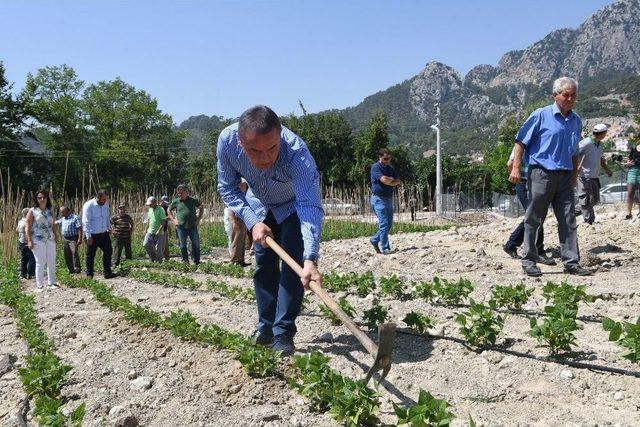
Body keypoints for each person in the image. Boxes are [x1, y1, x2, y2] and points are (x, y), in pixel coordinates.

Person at [217, 105, 323, 356]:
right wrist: (253, 222)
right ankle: (265, 327)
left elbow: (309, 204)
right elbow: (227, 188)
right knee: (263, 266)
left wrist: (311, 259)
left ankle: (283, 332)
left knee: (292, 268)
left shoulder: (297, 152)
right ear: (241, 143)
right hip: (259, 206)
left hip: (293, 207)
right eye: (255, 151)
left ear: (280, 136)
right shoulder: (227, 142)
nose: (265, 157)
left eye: (272, 148)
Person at [509, 77, 591, 277]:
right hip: (541, 173)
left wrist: (573, 175)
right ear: (555, 95)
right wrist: (516, 168)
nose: (570, 99)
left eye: (573, 95)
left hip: (564, 175)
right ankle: (528, 259)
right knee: (534, 217)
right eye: (565, 95)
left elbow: (574, 152)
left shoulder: (576, 121)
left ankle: (571, 261)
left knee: (568, 219)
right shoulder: (540, 115)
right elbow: (521, 142)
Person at [503, 145, 554, 265]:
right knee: (535, 215)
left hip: (535, 183)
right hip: (525, 183)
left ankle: (511, 245)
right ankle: (539, 252)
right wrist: (518, 180)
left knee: (532, 216)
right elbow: (510, 164)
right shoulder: (523, 145)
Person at [576, 123, 613, 224]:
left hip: (594, 176)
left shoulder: (600, 144)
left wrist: (607, 169)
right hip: (584, 176)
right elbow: (574, 154)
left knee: (595, 199)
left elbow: (600, 159)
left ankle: (572, 212)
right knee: (587, 199)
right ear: (602, 134)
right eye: (605, 134)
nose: (605, 136)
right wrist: (576, 168)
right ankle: (589, 221)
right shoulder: (585, 143)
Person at [25, 190, 59, 290]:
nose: (42, 199)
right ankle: (40, 285)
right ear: (36, 199)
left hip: (50, 239)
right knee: (40, 262)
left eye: (44, 197)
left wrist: (56, 235)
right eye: (39, 197)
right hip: (38, 239)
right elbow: (28, 226)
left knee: (51, 261)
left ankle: (51, 282)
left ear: (47, 198)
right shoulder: (32, 211)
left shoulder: (50, 210)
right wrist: (29, 240)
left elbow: (52, 225)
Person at [370, 148, 401, 254]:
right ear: (380, 157)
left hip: (389, 199)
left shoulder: (391, 168)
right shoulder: (375, 167)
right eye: (385, 159)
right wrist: (390, 180)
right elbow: (384, 180)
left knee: (389, 224)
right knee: (383, 224)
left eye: (389, 158)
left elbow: (397, 181)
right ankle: (385, 248)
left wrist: (390, 180)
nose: (387, 161)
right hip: (378, 199)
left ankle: (374, 240)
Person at [82, 189, 115, 279]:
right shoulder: (89, 205)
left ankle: (107, 272)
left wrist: (109, 228)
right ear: (98, 197)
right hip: (92, 235)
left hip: (104, 234)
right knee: (91, 255)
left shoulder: (106, 205)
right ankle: (89, 274)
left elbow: (106, 217)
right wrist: (88, 236)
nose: (104, 201)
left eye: (106, 199)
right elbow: (86, 221)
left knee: (108, 251)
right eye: (103, 199)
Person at [167, 184, 203, 265]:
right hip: (181, 227)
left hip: (192, 226)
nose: (179, 195)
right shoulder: (176, 201)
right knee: (182, 245)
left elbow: (201, 207)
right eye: (178, 193)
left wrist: (199, 219)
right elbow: (169, 210)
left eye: (181, 193)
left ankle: (197, 261)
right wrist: (173, 220)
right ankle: (185, 261)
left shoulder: (193, 200)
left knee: (196, 244)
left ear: (186, 192)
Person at [224, 179, 251, 266]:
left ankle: (240, 260)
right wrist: (234, 221)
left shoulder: (244, 195)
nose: (243, 186)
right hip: (236, 218)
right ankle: (234, 260)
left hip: (242, 218)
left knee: (241, 240)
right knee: (235, 239)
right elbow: (230, 208)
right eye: (242, 185)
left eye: (245, 185)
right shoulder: (235, 194)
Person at [56, 206, 83, 274]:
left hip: (73, 238)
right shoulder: (63, 219)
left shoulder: (75, 218)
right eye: (61, 212)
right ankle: (71, 269)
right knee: (67, 254)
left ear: (67, 211)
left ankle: (77, 268)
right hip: (65, 238)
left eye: (62, 212)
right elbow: (55, 223)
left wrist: (80, 238)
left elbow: (79, 228)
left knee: (74, 253)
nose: (61, 213)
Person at [143, 196, 167, 263]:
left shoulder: (161, 209)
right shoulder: (150, 209)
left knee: (159, 249)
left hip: (159, 232)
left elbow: (163, 221)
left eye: (150, 204)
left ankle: (158, 262)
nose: (149, 205)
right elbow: (149, 219)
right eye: (149, 204)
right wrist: (145, 229)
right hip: (150, 231)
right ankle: (153, 257)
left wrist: (159, 230)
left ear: (155, 202)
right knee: (146, 244)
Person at [16, 208, 35, 279]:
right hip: (26, 242)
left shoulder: (20, 221)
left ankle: (23, 274)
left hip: (21, 242)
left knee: (24, 259)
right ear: (28, 214)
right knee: (32, 258)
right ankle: (31, 274)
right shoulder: (26, 222)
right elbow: (28, 232)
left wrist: (20, 237)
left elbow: (16, 230)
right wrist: (29, 241)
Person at [625, 142, 640, 219]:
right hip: (632, 171)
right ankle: (629, 213)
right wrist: (628, 163)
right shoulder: (634, 149)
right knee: (630, 193)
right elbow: (628, 162)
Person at [160, 196, 171, 261]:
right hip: (156, 229)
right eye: (164, 202)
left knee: (165, 246)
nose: (166, 204)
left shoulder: (167, 208)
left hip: (164, 230)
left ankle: (167, 259)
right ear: (161, 201)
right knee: (158, 246)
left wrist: (169, 231)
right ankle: (158, 259)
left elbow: (169, 219)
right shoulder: (157, 208)